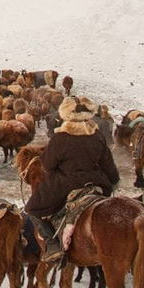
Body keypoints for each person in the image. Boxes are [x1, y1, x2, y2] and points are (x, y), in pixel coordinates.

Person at [25, 96, 121, 259]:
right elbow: (108, 166)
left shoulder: (60, 138)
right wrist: (112, 182)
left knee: (32, 209)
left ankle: (51, 244)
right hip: (96, 182)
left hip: (65, 184)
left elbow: (48, 165)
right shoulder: (97, 136)